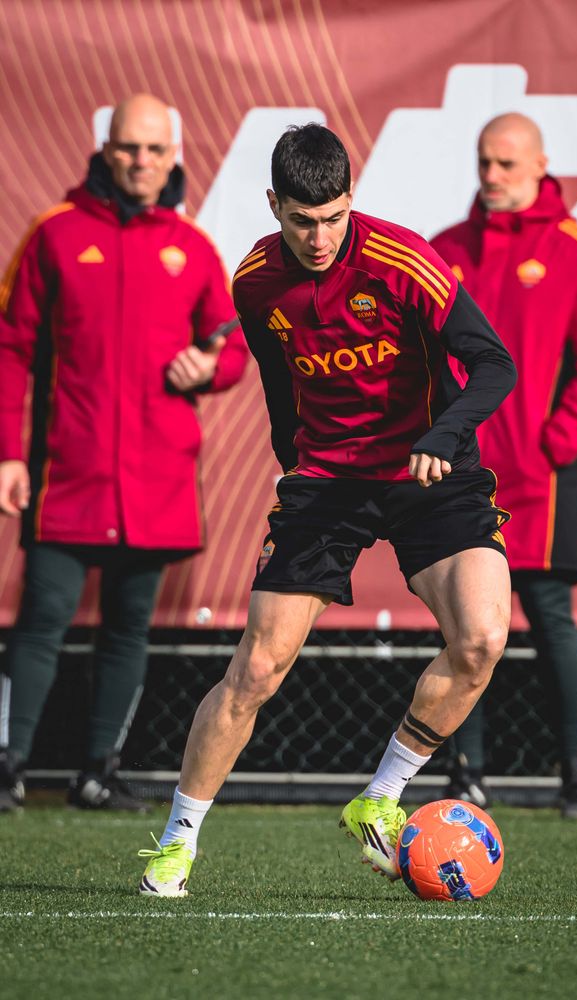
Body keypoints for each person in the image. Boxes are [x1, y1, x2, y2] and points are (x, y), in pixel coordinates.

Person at [137, 122, 517, 896]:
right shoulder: (254, 283)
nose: (319, 238)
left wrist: (444, 433)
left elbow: (492, 363)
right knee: (258, 668)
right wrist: (297, 474)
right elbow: (282, 397)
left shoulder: (404, 260)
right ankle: (177, 842)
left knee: (481, 640)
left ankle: (378, 797)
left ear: (352, 200)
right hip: (329, 484)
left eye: (334, 218)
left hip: (428, 471)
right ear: (274, 204)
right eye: (302, 221)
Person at [0, 94, 248, 812]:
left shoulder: (194, 247)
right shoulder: (54, 234)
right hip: (66, 475)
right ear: (105, 149)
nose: (140, 162)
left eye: (153, 149)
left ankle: (97, 773)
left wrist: (211, 368)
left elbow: (231, 349)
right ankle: (8, 765)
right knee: (41, 621)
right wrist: (9, 455)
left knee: (127, 628)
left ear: (174, 155)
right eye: (127, 148)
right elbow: (11, 349)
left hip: (155, 480)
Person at [430, 113, 577, 819]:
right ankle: (464, 775)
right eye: (484, 162)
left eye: (506, 164)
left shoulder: (575, 251)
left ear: (541, 166)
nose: (492, 176)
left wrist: (558, 442)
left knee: (549, 619)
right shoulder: (445, 250)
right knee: (464, 628)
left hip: (541, 478)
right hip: (463, 477)